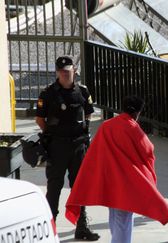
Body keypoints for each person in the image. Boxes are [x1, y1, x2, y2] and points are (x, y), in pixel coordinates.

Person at [65, 96, 168, 243]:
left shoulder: (106, 125)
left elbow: (95, 152)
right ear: (137, 113)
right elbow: (148, 150)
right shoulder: (133, 128)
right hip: (126, 182)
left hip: (110, 180)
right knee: (124, 219)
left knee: (114, 217)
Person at [35, 55, 99, 241]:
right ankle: (50, 226)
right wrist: (53, 134)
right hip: (57, 146)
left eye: (67, 71)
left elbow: (88, 114)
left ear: (74, 71)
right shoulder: (47, 93)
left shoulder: (83, 91)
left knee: (79, 186)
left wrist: (83, 133)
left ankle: (81, 226)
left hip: (78, 146)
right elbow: (40, 119)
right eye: (61, 71)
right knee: (54, 186)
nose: (64, 74)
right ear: (57, 72)